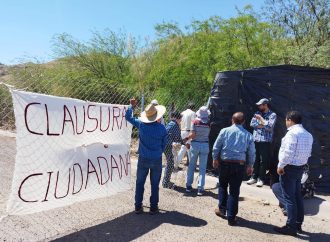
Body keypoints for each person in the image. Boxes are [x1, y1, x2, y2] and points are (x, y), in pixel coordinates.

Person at [273, 111, 313, 236]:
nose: (285, 123)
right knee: (297, 197)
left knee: (289, 198)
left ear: (290, 120)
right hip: (299, 168)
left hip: (288, 168)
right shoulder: (308, 135)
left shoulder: (292, 134)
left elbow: (288, 152)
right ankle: (297, 224)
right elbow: (309, 153)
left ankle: (290, 227)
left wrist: (281, 165)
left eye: (286, 120)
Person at [125, 98, 167, 215]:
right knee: (155, 184)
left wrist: (131, 106)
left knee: (140, 183)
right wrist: (158, 151)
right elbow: (164, 145)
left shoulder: (141, 125)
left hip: (143, 158)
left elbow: (128, 117)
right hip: (156, 159)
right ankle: (153, 207)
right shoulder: (162, 129)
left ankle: (138, 206)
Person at [212, 112, 255, 226]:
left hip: (225, 163)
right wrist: (250, 165)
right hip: (239, 165)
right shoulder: (248, 135)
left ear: (232, 120)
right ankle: (231, 217)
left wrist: (215, 158)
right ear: (244, 122)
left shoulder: (224, 131)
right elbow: (251, 152)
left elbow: (217, 146)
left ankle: (222, 210)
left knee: (222, 185)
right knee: (234, 191)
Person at [248, 98, 277, 187]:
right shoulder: (257, 113)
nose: (259, 106)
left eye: (260, 105)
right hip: (256, 139)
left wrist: (260, 119)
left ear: (265, 105)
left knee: (263, 161)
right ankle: (254, 177)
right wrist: (263, 124)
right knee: (255, 159)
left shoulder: (272, 115)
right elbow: (252, 124)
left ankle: (261, 179)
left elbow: (269, 127)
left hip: (265, 141)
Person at [185, 106, 210, 196]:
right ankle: (200, 188)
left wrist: (187, 138)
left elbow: (193, 134)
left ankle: (188, 186)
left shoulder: (195, 121)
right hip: (205, 144)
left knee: (191, 166)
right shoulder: (209, 122)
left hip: (195, 144)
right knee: (202, 168)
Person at [162, 111, 189, 189]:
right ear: (178, 118)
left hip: (165, 145)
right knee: (170, 164)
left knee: (169, 163)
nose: (181, 120)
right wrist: (185, 143)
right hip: (168, 145)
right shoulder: (175, 125)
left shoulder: (171, 123)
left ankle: (166, 181)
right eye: (180, 118)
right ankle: (166, 182)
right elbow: (178, 139)